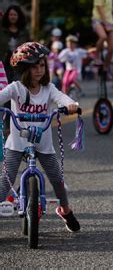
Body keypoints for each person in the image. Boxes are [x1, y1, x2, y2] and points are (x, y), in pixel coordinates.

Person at [0, 42, 80, 232]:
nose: (39, 70)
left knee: (57, 178)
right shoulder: (16, 88)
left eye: (42, 66)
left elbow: (63, 98)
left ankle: (65, 210)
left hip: (43, 144)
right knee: (6, 179)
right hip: (17, 143)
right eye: (34, 66)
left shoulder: (48, 89)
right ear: (25, 68)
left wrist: (71, 105)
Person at [0, 5, 30, 82]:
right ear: (7, 16)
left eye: (15, 15)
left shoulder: (24, 31)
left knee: (18, 88)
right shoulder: (1, 30)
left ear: (19, 16)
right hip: (4, 64)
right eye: (11, 14)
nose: (13, 17)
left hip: (19, 65)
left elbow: (28, 47)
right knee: (5, 89)